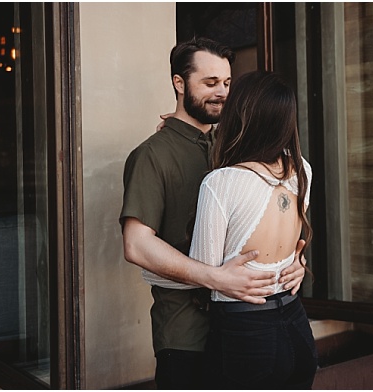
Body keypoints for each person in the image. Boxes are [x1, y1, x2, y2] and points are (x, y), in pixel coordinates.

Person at [120, 37, 306, 389]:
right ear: (179, 83)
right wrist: (215, 277)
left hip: (249, 326)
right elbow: (136, 245)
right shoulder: (152, 155)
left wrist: (291, 261)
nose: (222, 92)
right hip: (186, 332)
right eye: (209, 83)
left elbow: (275, 213)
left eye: (227, 83)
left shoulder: (236, 143)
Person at [190, 71, 317, 389]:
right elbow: (290, 245)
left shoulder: (221, 182)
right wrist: (298, 263)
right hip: (296, 323)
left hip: (245, 331)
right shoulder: (302, 170)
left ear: (241, 116)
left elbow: (203, 275)